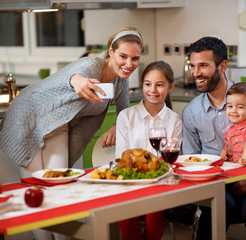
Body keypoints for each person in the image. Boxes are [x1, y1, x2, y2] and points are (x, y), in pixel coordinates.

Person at [0, 27, 143, 240]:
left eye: (135, 58)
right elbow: (74, 76)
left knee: (57, 186)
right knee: (36, 189)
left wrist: (116, 126)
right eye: (123, 56)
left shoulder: (120, 80)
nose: (129, 64)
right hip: (28, 117)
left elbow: (124, 111)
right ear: (110, 52)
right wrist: (77, 81)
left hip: (57, 124)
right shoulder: (90, 66)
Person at [181, 36, 246, 240]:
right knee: (217, 206)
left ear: (222, 67)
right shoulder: (191, 112)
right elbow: (191, 160)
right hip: (217, 186)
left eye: (203, 65)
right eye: (192, 66)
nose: (196, 73)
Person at [116, 60, 182, 240]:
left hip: (159, 183)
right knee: (127, 215)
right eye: (148, 84)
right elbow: (122, 158)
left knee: (156, 213)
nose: (152, 90)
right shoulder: (126, 116)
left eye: (159, 85)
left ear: (170, 87)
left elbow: (171, 159)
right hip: (130, 183)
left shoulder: (174, 120)